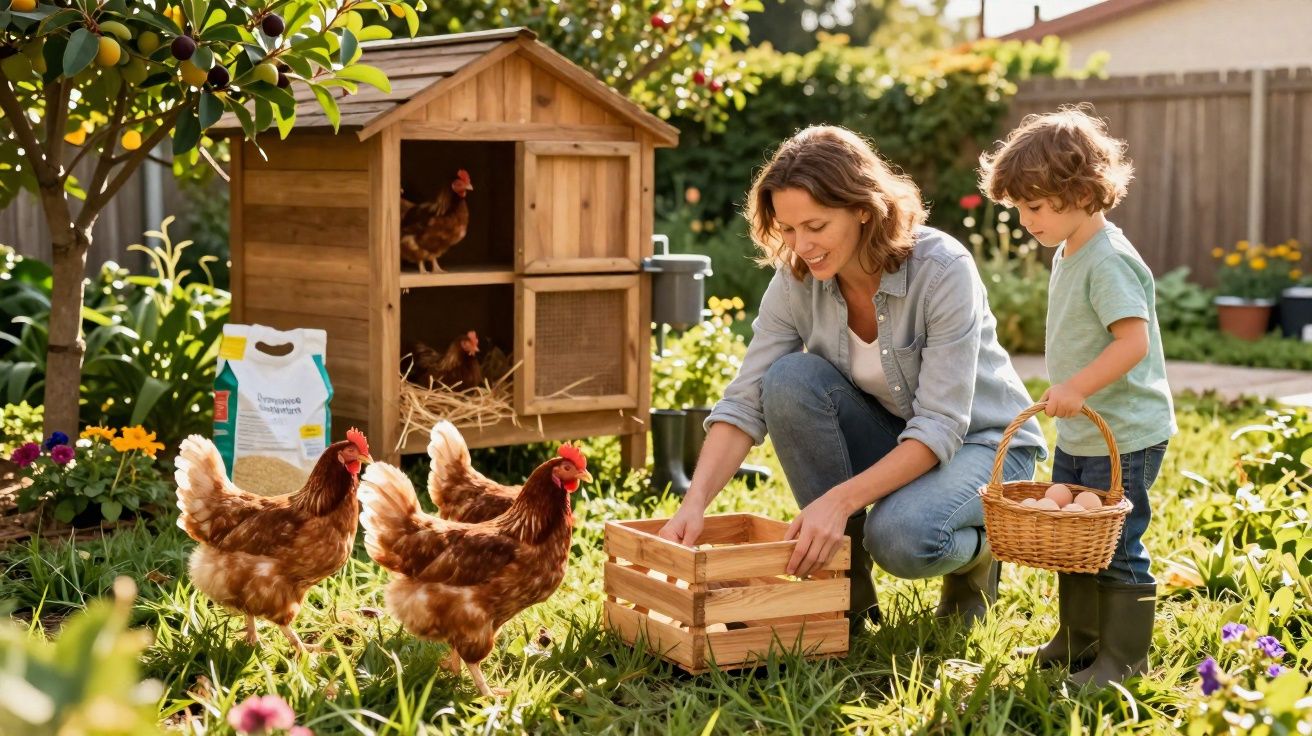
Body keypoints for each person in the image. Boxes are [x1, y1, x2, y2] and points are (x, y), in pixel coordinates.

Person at [657, 125, 1046, 632]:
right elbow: (745, 399)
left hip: (986, 446)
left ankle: (981, 556)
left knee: (902, 539)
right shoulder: (795, 277)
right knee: (788, 380)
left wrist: (837, 502)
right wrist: (695, 503)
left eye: (816, 226)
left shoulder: (942, 268)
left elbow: (940, 425)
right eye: (789, 229)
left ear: (864, 208)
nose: (802, 245)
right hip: (893, 436)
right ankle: (847, 596)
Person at [978, 106, 1176, 687]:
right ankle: (1078, 639)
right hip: (1082, 429)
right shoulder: (1070, 252)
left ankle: (1124, 660)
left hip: (1125, 434)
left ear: (1083, 192)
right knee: (1075, 541)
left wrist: (1076, 387)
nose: (1025, 220)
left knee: (1116, 542)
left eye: (1034, 206)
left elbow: (1133, 342)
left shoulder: (1108, 259)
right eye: (1019, 208)